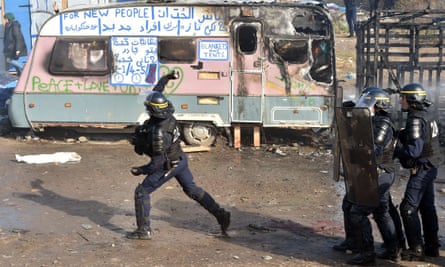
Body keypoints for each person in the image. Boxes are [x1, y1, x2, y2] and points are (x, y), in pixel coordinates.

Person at [126, 71, 230, 240]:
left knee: (141, 192)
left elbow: (157, 164)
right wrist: (166, 78)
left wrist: (141, 170)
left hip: (167, 165)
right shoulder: (167, 116)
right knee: (192, 189)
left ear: (152, 110)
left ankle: (143, 230)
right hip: (180, 159)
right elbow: (157, 91)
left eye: (148, 107)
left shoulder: (159, 133)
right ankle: (221, 214)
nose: (146, 108)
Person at [333, 88, 406, 261]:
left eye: (368, 104)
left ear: (379, 106)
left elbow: (373, 149)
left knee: (358, 212)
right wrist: (348, 115)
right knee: (376, 210)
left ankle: (367, 252)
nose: (365, 107)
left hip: (378, 173)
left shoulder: (383, 124)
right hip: (373, 173)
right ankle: (386, 247)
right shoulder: (374, 120)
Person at [393, 83, 440, 261]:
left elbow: (414, 151)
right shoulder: (428, 115)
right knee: (427, 207)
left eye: (403, 98)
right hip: (431, 166)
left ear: (411, 100)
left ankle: (416, 249)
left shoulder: (414, 119)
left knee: (408, 208)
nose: (400, 101)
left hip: (421, 168)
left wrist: (396, 149)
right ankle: (432, 246)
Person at [3, 12, 27, 76]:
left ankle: (24, 67)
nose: (4, 20)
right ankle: (20, 75)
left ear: (8, 18)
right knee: (14, 61)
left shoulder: (14, 25)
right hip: (10, 48)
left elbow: (18, 37)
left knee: (9, 60)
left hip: (15, 47)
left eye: (5, 18)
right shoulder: (8, 25)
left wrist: (18, 49)